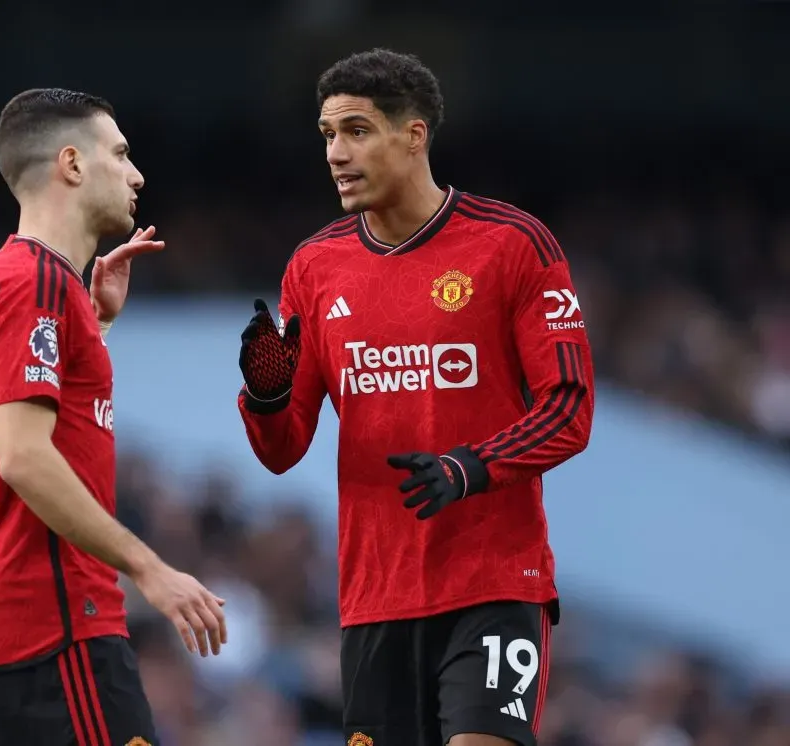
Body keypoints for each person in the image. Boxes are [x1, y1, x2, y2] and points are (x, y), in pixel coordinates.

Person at [237, 50, 594, 746]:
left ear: (414, 134)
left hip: (493, 582)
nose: (336, 153)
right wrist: (268, 393)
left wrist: (469, 468)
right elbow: (282, 451)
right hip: (376, 596)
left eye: (357, 131)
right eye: (327, 134)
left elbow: (569, 409)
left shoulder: (512, 245)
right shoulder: (315, 267)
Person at [0, 87, 226, 746]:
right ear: (71, 164)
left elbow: (24, 416)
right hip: (57, 626)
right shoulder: (35, 285)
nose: (137, 174)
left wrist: (89, 324)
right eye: (121, 154)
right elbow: (22, 456)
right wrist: (151, 568)